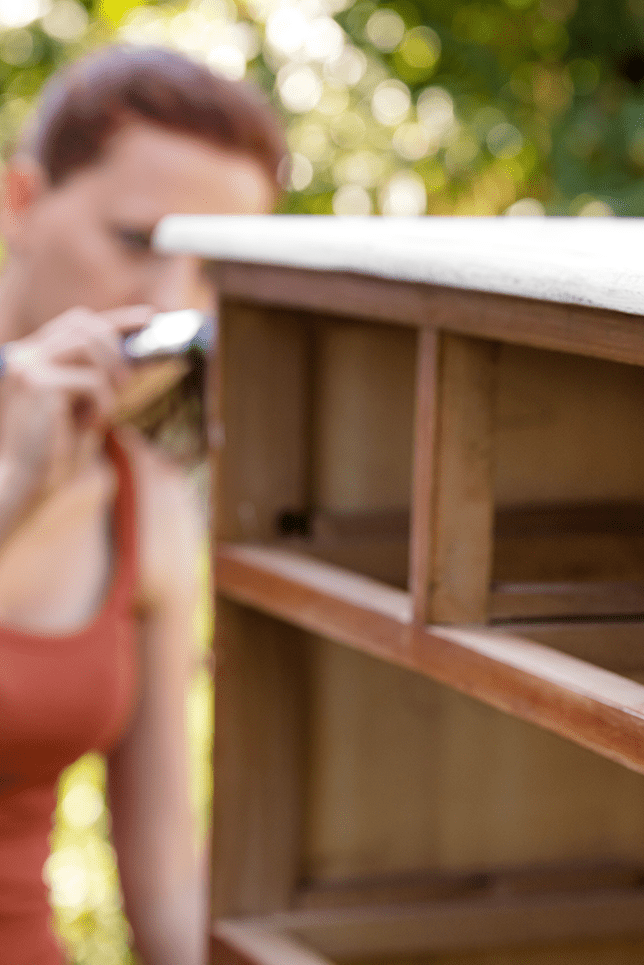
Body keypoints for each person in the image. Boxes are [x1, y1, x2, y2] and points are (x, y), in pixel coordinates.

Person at [0, 45, 286, 965]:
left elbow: (164, 891)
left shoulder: (148, 506)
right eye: (138, 242)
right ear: (21, 204)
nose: (168, 305)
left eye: (209, 272)